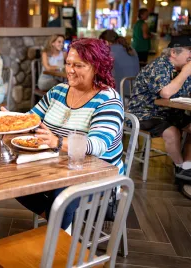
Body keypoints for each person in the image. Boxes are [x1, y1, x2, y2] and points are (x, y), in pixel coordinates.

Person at [15, 38, 124, 229]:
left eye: (78, 65)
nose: (69, 70)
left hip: (98, 175)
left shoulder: (108, 99)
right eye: (68, 63)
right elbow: (31, 119)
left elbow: (96, 146)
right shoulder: (58, 91)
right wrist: (10, 120)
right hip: (56, 168)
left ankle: (58, 245)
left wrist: (57, 142)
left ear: (97, 67)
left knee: (62, 194)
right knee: (13, 178)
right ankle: (58, 224)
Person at [128, 36, 191, 176]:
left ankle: (187, 168)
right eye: (189, 51)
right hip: (144, 113)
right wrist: (186, 72)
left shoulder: (183, 69)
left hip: (171, 113)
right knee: (172, 132)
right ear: (174, 53)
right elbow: (166, 93)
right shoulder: (158, 66)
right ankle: (180, 167)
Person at [99, 30, 140, 94]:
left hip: (119, 93)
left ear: (106, 41)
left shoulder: (109, 52)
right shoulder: (131, 49)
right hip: (134, 90)